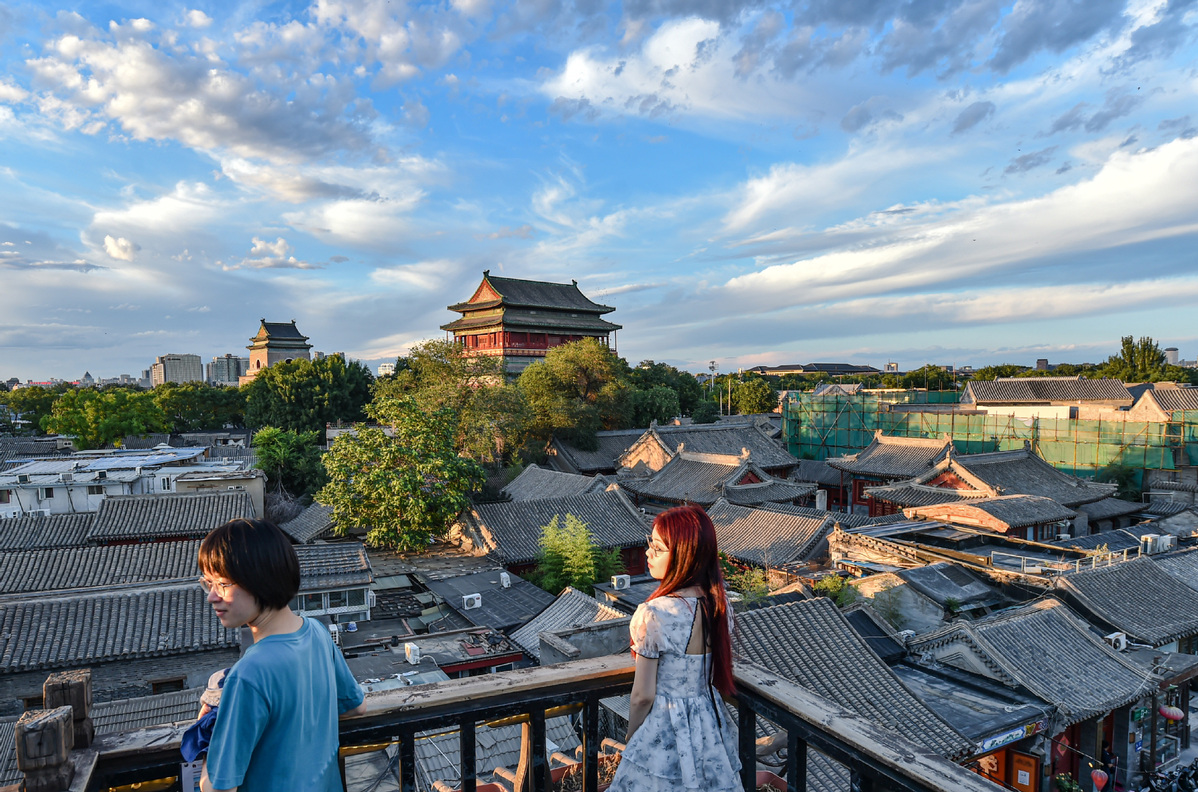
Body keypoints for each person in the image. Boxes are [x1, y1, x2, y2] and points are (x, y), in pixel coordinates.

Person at [197, 518, 367, 792]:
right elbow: (356, 706)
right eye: (208, 583)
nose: (211, 597)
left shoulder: (249, 674)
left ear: (260, 580)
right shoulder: (317, 632)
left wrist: (210, 734)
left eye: (223, 584)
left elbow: (217, 787)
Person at [607, 504, 741, 792]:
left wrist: (632, 735)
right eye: (650, 544)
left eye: (657, 548)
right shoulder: (720, 605)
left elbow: (643, 695)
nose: (647, 553)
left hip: (665, 724)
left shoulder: (654, 613)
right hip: (708, 722)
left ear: (684, 555)